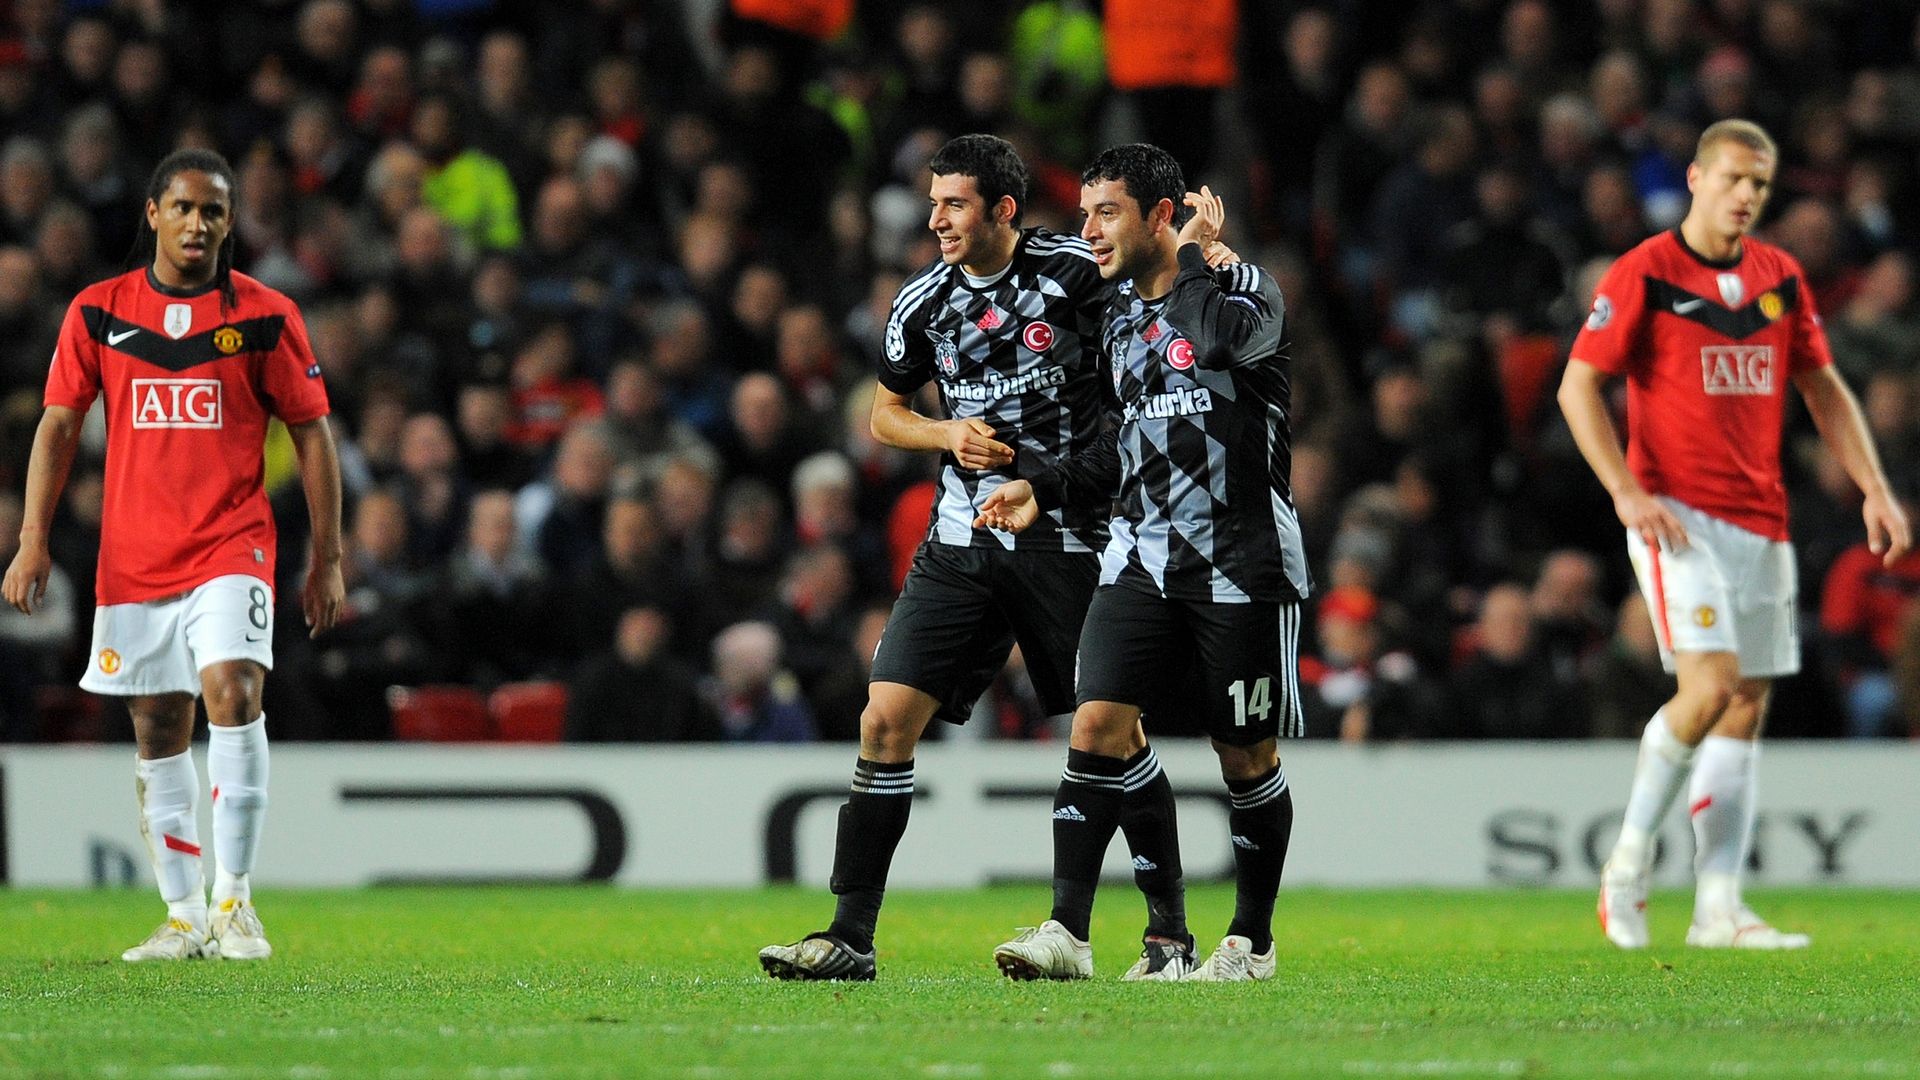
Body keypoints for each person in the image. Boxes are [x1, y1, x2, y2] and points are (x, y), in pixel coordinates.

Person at [757, 134, 1202, 983]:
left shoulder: (1077, 271)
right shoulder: (922, 302)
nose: (936, 220)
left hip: (1067, 538)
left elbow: (1158, 283)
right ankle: (850, 937)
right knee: (885, 717)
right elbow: (885, 413)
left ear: (1003, 209)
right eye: (933, 204)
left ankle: (1168, 932)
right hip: (961, 541)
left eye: (953, 204)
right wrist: (943, 432)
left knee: (1112, 730)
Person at [1557, 119, 1910, 951]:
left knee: (1746, 705)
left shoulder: (1779, 276)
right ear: (1695, 178)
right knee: (1711, 686)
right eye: (1733, 179)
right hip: (1680, 517)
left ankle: (1718, 906)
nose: (1747, 195)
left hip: (1765, 521)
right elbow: (1579, 388)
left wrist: (1875, 489)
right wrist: (1625, 491)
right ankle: (1628, 864)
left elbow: (1823, 388)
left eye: (1760, 183)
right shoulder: (1646, 271)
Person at [2, 148, 344, 962]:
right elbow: (58, 424)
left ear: (230, 225)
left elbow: (313, 434)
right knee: (158, 726)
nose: (199, 224)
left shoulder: (266, 315)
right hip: (134, 555)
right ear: (153, 213)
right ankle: (184, 915)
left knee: (232, 689)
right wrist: (32, 538)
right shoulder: (97, 312)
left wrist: (325, 556)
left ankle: (236, 901)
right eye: (185, 208)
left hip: (232, 542)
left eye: (215, 212)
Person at [978, 144, 1307, 982]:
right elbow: (1120, 449)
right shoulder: (1119, 316)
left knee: (1244, 755)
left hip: (1242, 562)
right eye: (1085, 213)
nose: (1087, 230)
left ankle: (1251, 942)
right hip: (1141, 558)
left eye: (1107, 212)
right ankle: (1067, 933)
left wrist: (1197, 253)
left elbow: (1218, 349)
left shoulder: (1245, 292)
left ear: (1163, 215)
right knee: (1095, 724)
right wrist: (1040, 488)